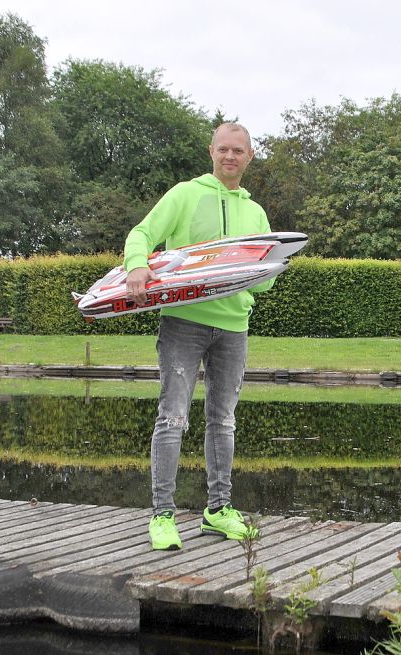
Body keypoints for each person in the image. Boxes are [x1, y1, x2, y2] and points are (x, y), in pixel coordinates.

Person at [123, 122, 275, 551]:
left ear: (249, 156)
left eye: (238, 151)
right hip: (183, 323)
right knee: (173, 417)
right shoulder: (185, 194)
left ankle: (218, 510)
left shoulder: (256, 212)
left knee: (223, 420)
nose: (230, 157)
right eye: (223, 149)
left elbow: (260, 279)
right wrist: (138, 264)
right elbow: (142, 234)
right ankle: (162, 515)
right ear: (211, 151)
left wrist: (264, 275)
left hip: (233, 327)